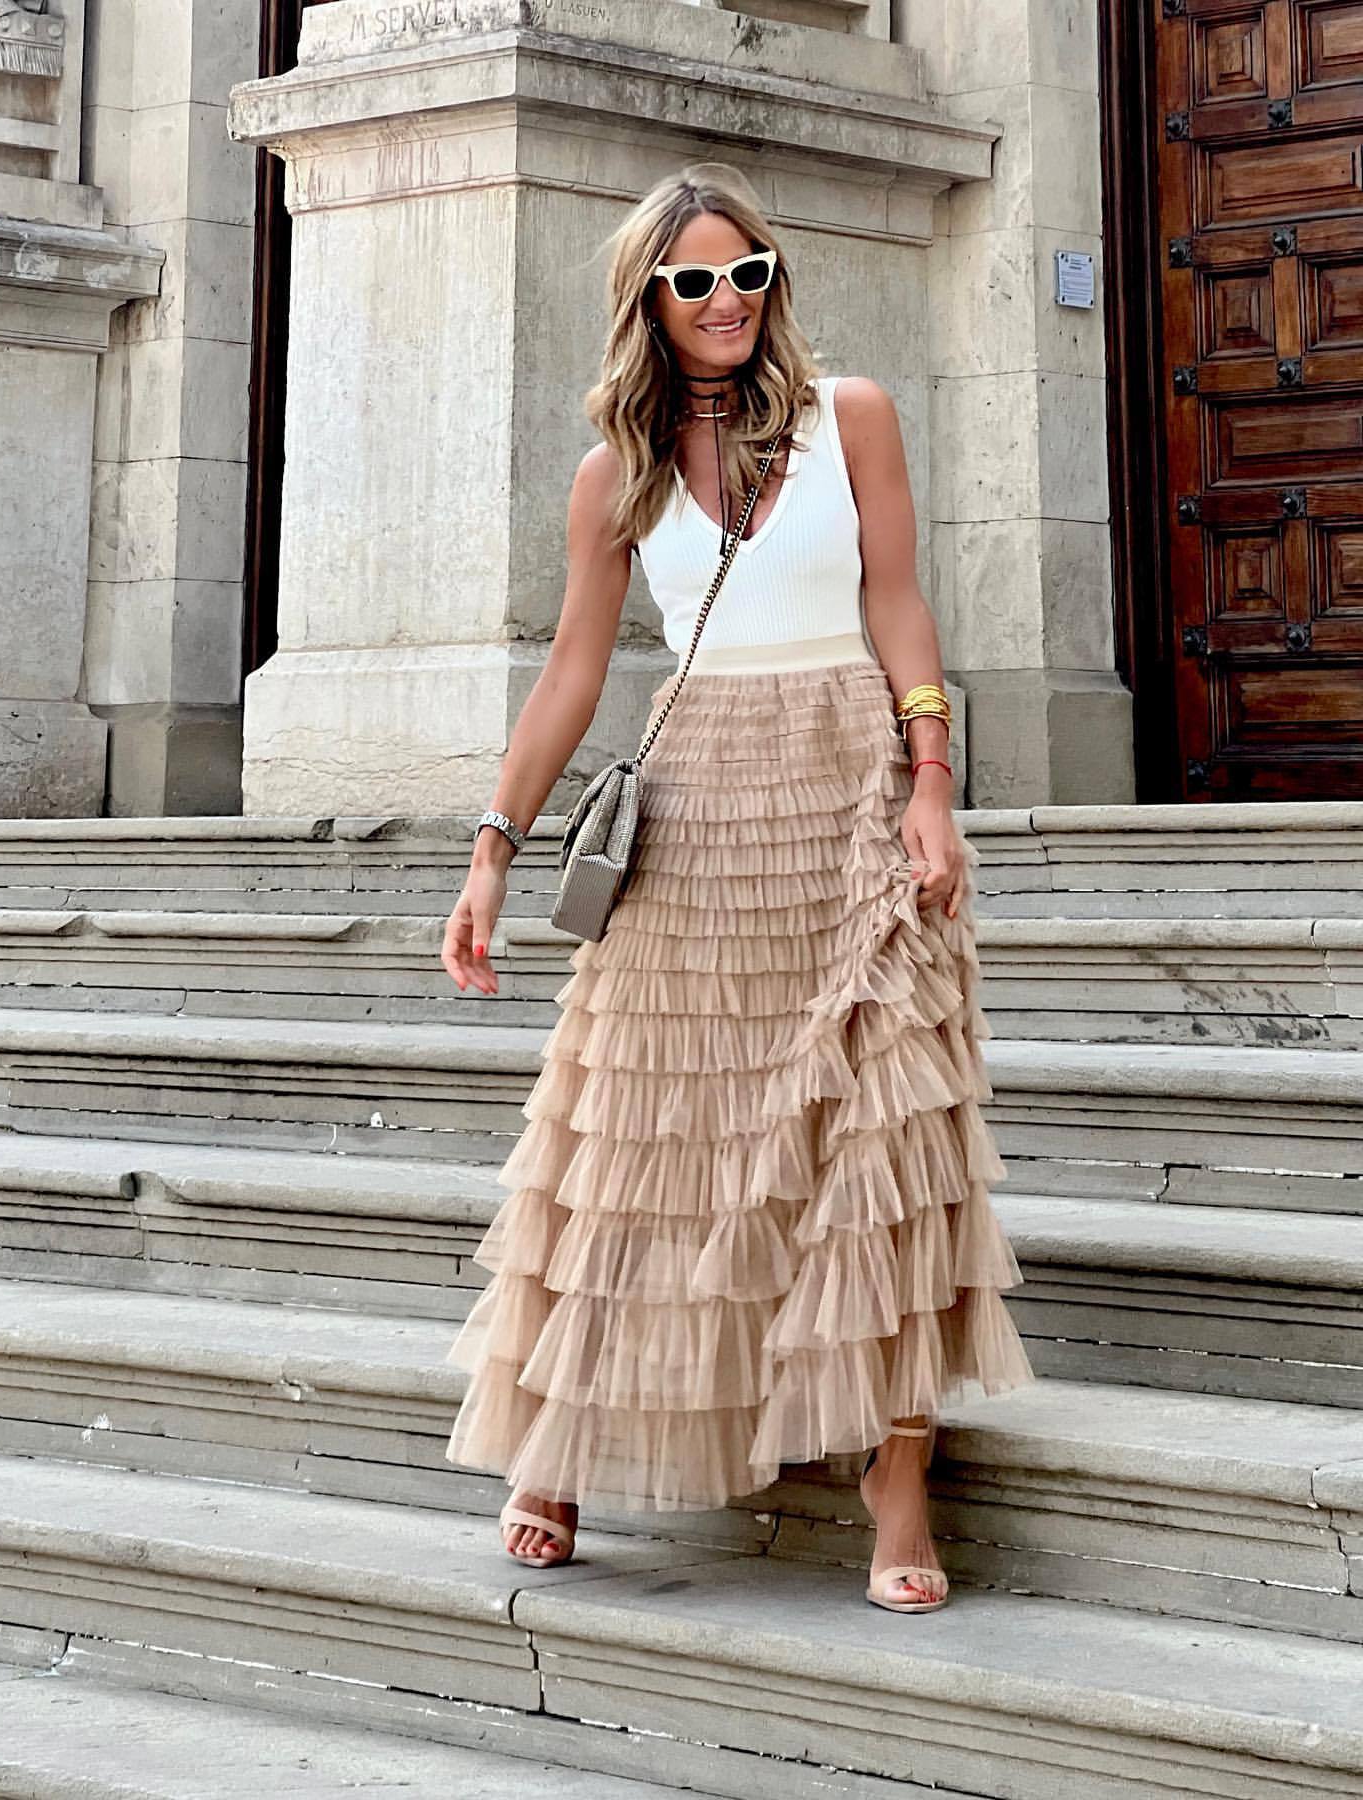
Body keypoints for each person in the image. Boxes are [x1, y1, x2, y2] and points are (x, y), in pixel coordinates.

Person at [439, 161, 1035, 1614]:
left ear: (777, 285)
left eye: (748, 274)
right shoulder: (617, 474)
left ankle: (897, 1494)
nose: (725, 303)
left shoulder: (858, 421)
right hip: (699, 806)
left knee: (879, 1137)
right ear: (651, 299)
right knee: (643, 1128)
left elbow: (897, 599)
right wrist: (493, 850)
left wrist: (936, 784)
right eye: (695, 281)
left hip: (847, 785)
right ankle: (563, 1444)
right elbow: (576, 672)